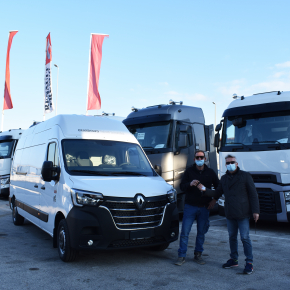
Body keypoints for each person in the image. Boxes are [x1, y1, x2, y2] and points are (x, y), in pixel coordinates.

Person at [196, 154, 259, 274]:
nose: (230, 164)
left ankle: (249, 262)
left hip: (243, 213)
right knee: (232, 237)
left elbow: (253, 194)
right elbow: (217, 192)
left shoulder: (245, 176)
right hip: (230, 213)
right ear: (225, 164)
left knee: (245, 238)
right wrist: (205, 190)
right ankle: (234, 259)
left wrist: (256, 211)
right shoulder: (224, 178)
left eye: (232, 162)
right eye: (228, 163)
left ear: (237, 163)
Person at [175, 150, 219, 266]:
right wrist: (190, 184)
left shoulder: (210, 172)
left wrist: (214, 200)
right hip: (190, 206)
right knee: (185, 232)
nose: (199, 160)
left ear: (205, 159)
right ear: (194, 159)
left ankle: (198, 255)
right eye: (197, 158)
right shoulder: (189, 171)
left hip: (204, 207)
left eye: (201, 157)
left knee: (201, 233)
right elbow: (182, 187)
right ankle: (181, 256)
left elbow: (219, 188)